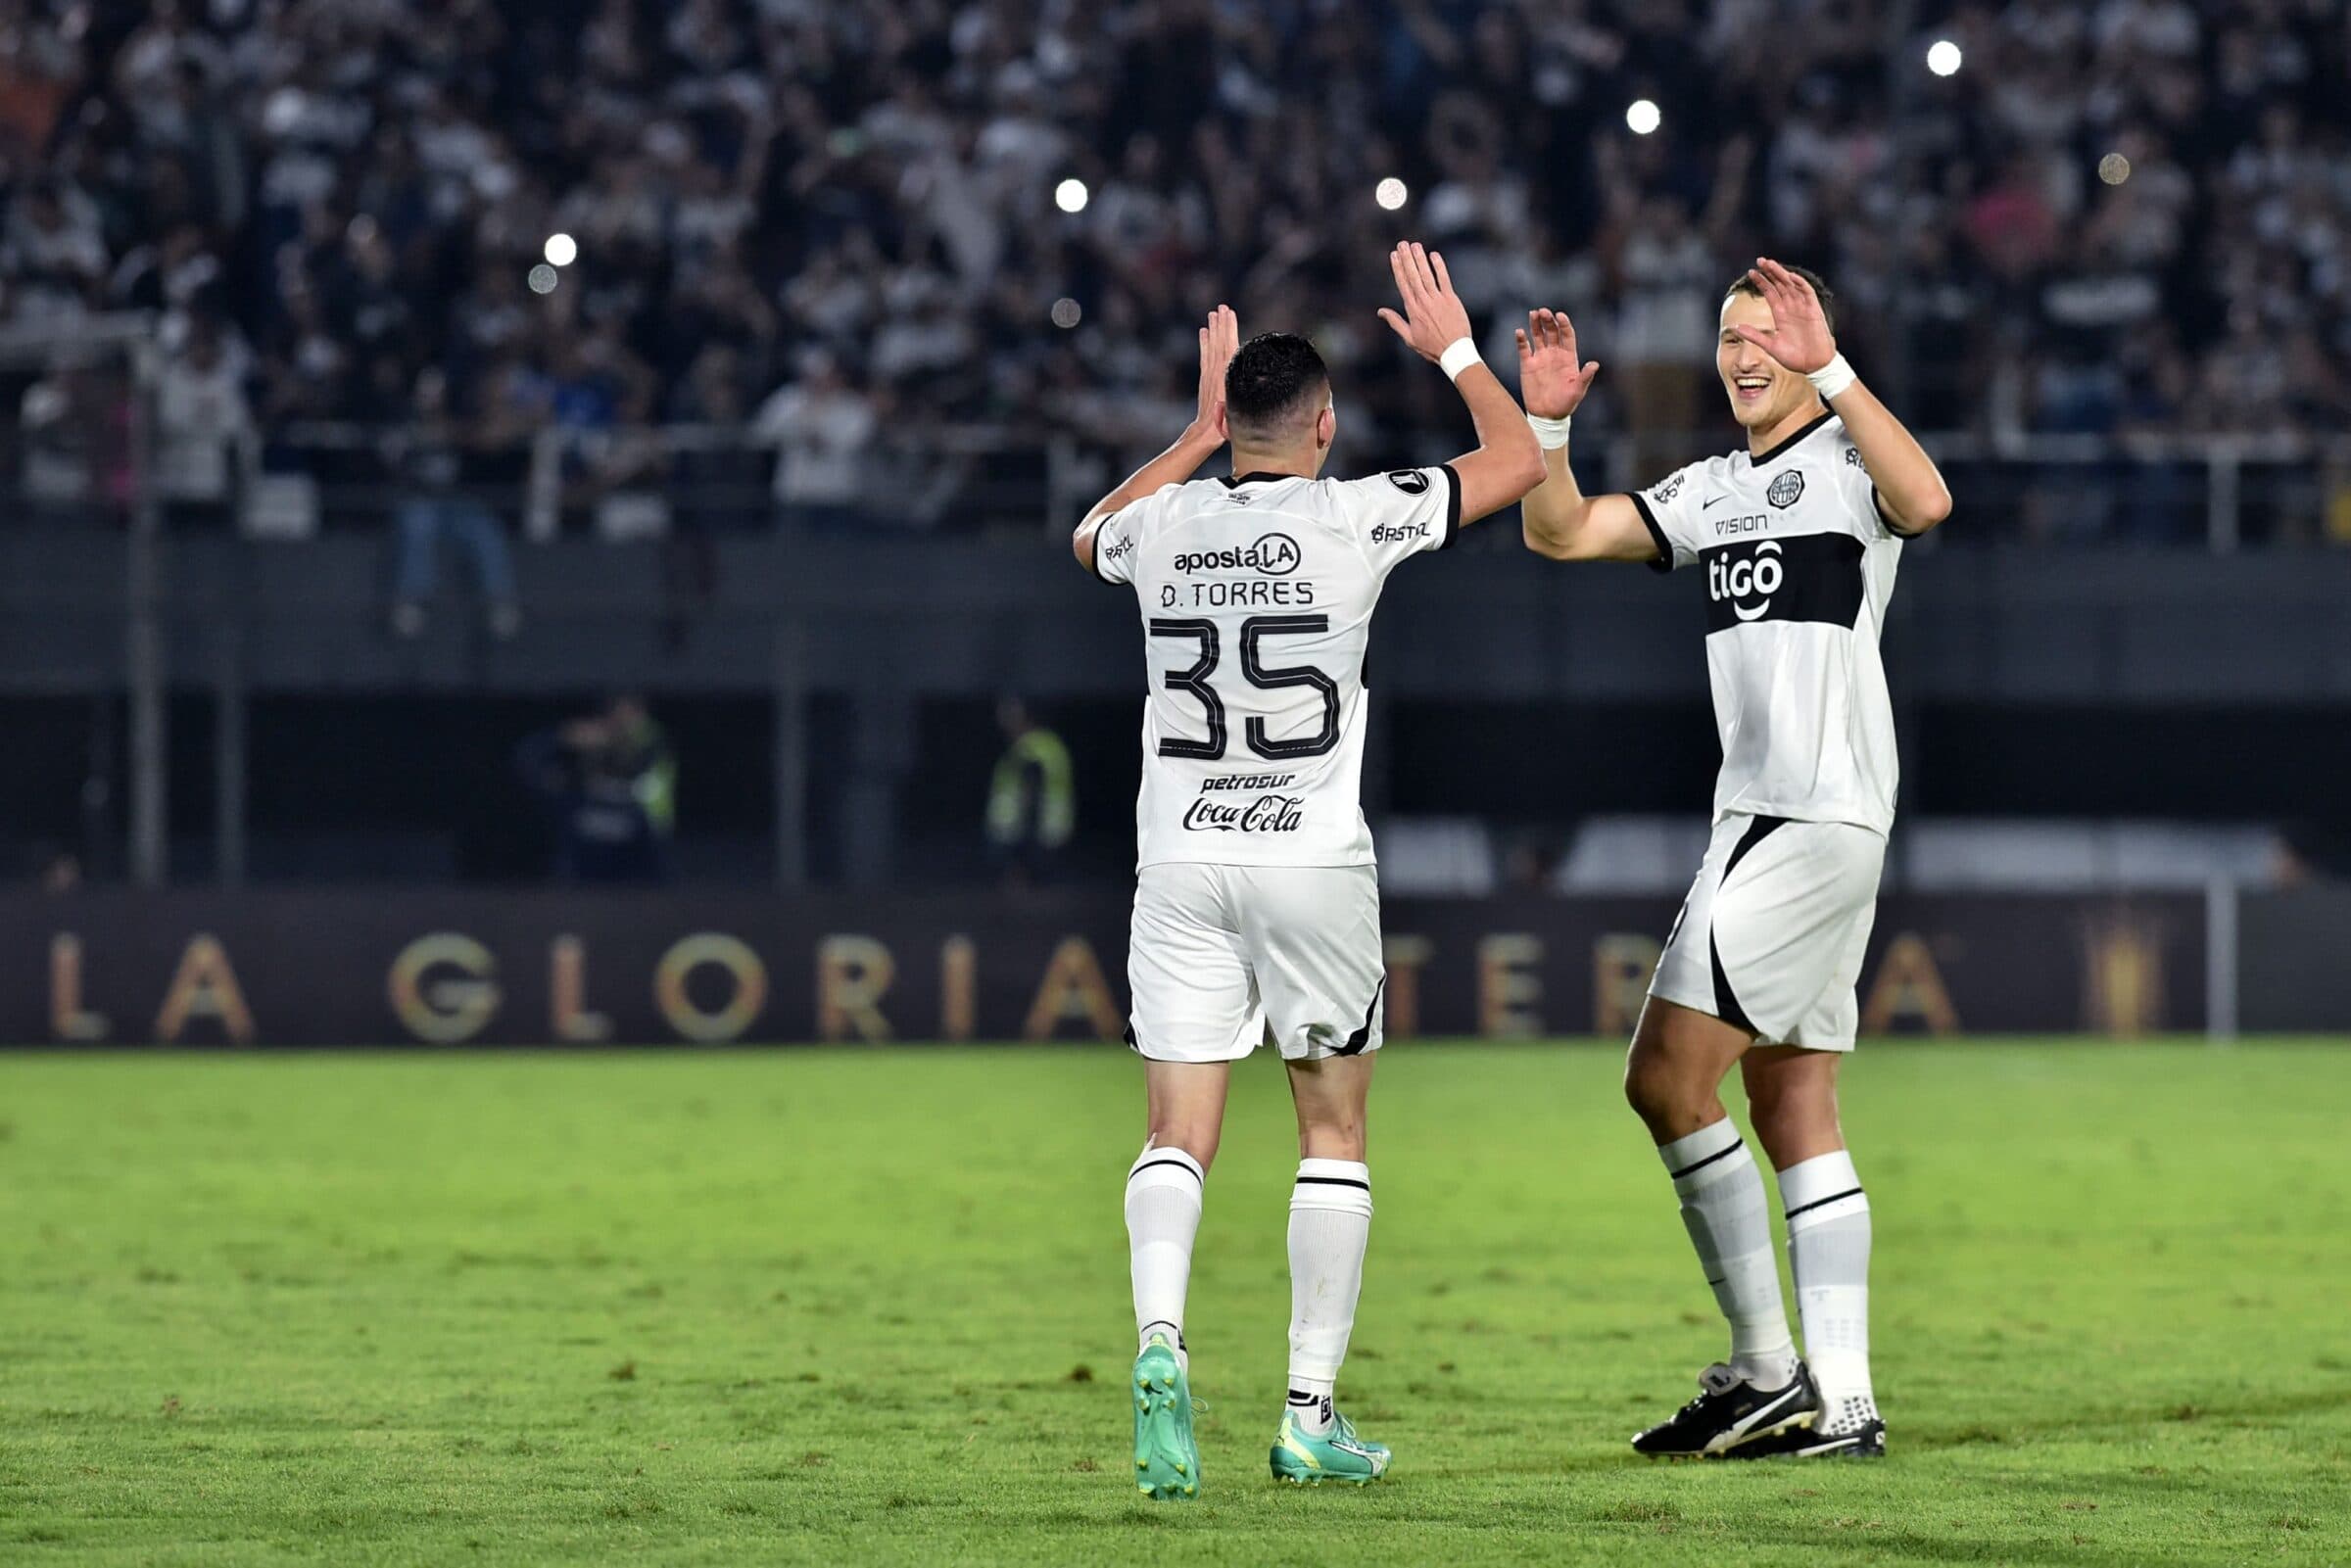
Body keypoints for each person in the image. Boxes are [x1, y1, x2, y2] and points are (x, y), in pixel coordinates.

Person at [1074, 243, 1545, 1497]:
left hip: (1177, 859)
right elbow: (1518, 464)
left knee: (1178, 1128)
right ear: (1327, 426)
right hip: (1309, 861)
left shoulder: (1160, 524)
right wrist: (1453, 346)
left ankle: (1162, 1341)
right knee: (1331, 1128)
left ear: (1234, 422)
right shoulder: (1353, 513)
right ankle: (1304, 1413)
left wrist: (1191, 431)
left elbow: (1086, 536)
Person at [1517, 261, 1952, 1460]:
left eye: (1769, 333)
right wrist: (1548, 426)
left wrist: (1838, 368)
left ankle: (1766, 1364)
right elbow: (1561, 531)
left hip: (1809, 819)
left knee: (1663, 1074)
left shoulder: (1854, 461)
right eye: (1731, 336)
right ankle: (1847, 1403)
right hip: (1771, 819)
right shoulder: (1711, 488)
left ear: (1808, 343)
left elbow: (1929, 500)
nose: (1744, 354)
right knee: (1790, 1094)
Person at [512, 694, 677, 884]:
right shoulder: (598, 741)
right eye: (616, 714)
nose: (620, 720)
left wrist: (607, 780)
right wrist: (564, 735)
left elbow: (643, 778)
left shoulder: (649, 737)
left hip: (646, 819)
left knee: (649, 877)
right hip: (600, 817)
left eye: (627, 714)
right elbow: (529, 755)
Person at [984, 697, 1074, 886]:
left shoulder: (1031, 749)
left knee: (1035, 889)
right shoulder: (1045, 745)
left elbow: (1031, 795)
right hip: (1041, 831)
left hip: (1032, 833)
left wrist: (1024, 843)